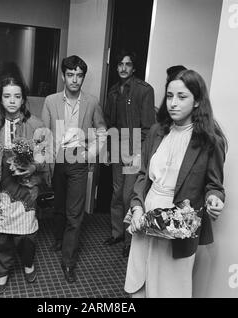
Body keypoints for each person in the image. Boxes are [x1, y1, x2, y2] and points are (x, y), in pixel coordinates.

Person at [125, 69, 227, 298]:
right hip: (146, 214)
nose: (173, 103)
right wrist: (137, 207)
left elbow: (215, 186)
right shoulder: (156, 131)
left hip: (178, 224)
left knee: (169, 288)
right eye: (169, 96)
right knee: (139, 280)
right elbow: (142, 176)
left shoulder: (210, 141)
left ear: (198, 100)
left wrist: (214, 199)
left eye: (182, 97)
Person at [41, 55, 106, 283]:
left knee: (74, 214)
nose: (75, 80)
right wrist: (45, 164)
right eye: (70, 75)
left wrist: (90, 154)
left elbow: (101, 131)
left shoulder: (92, 102)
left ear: (83, 78)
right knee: (58, 207)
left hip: (79, 161)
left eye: (79, 75)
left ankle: (68, 262)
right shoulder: (51, 100)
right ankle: (59, 238)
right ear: (63, 76)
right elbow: (45, 134)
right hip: (57, 160)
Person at [0, 76, 48, 293]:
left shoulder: (36, 124)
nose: (12, 101)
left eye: (17, 96)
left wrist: (33, 168)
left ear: (23, 99)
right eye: (7, 96)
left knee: (27, 234)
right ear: (0, 99)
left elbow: (45, 155)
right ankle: (2, 271)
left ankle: (28, 263)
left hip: (25, 187)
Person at [103, 50, 155, 258]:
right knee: (116, 193)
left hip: (135, 149)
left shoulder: (144, 90)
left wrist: (138, 153)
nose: (123, 68)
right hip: (117, 146)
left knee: (128, 195)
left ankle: (129, 239)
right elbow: (109, 124)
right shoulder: (113, 91)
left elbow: (148, 127)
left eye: (128, 64)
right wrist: (109, 149)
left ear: (134, 67)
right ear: (116, 67)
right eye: (120, 64)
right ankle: (117, 233)